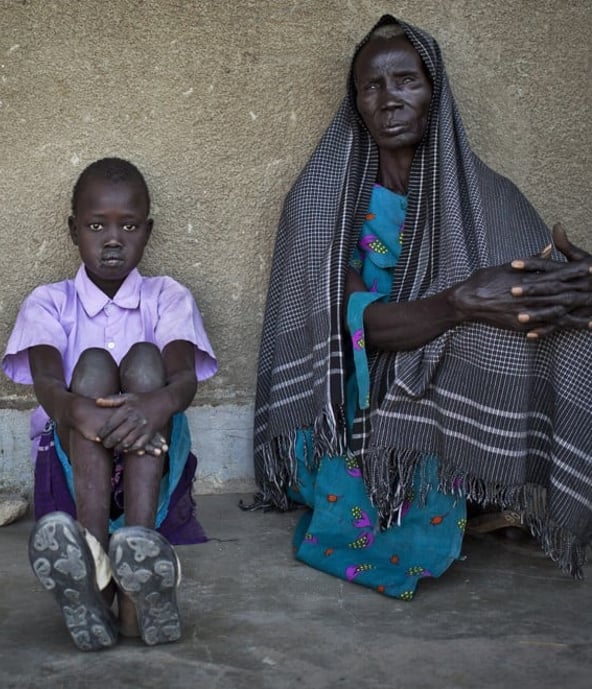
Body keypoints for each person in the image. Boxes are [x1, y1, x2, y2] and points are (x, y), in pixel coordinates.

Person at [249, 15, 592, 600]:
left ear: (436, 92)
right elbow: (359, 329)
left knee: (568, 328)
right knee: (460, 328)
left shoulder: (488, 198)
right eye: (371, 87)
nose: (389, 100)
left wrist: (572, 289)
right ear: (356, 103)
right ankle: (448, 500)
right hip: (356, 401)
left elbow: (532, 295)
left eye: (406, 80)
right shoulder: (323, 203)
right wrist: (462, 302)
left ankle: (526, 491)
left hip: (452, 400)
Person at [2, 157, 217, 649]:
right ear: (73, 229)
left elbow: (182, 379)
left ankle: (131, 572)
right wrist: (86, 413)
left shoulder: (168, 297)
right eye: (97, 226)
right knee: (94, 365)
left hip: (153, 457)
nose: (113, 239)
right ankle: (98, 564)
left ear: (149, 230)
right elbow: (50, 388)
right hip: (76, 463)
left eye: (129, 226)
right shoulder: (48, 303)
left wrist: (149, 407)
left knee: (145, 362)